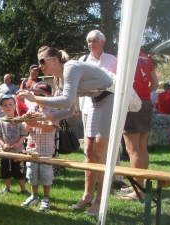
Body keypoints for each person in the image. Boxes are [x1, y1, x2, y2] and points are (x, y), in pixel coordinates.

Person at [17, 46, 114, 216]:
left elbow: (66, 101)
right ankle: (87, 196)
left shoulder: (70, 68)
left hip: (110, 98)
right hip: (96, 101)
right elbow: (70, 111)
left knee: (99, 151)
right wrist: (43, 117)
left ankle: (100, 200)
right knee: (89, 151)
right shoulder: (60, 79)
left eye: (42, 61)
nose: (40, 66)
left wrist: (36, 99)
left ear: (54, 59)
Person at [78, 30, 127, 190]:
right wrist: (76, 107)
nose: (91, 44)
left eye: (94, 41)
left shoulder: (112, 60)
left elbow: (119, 82)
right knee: (89, 146)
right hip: (87, 107)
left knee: (111, 143)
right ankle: (93, 178)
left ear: (102, 42)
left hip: (107, 107)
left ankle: (116, 178)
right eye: (89, 41)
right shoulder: (83, 60)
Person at [120, 51, 158, 201]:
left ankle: (139, 191)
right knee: (142, 147)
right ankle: (140, 185)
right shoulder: (145, 57)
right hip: (147, 102)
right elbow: (155, 82)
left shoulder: (123, 55)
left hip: (132, 104)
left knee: (132, 149)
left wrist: (135, 97)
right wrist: (143, 94)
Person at [21, 82, 58, 211]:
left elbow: (51, 128)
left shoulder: (53, 111)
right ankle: (34, 195)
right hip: (33, 147)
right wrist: (27, 122)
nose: (38, 97)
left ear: (50, 96)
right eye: (35, 95)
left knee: (46, 173)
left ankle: (46, 198)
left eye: (41, 95)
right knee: (32, 172)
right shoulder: (32, 109)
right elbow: (26, 128)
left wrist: (36, 124)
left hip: (47, 148)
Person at [0, 94, 30, 196]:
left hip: (18, 152)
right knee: (6, 170)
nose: (8, 107)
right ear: (1, 108)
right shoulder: (0, 122)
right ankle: (7, 187)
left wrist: (18, 144)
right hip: (5, 152)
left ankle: (23, 189)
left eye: (10, 104)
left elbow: (24, 134)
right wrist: (3, 144)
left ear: (15, 106)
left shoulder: (19, 121)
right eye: (5, 105)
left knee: (19, 170)